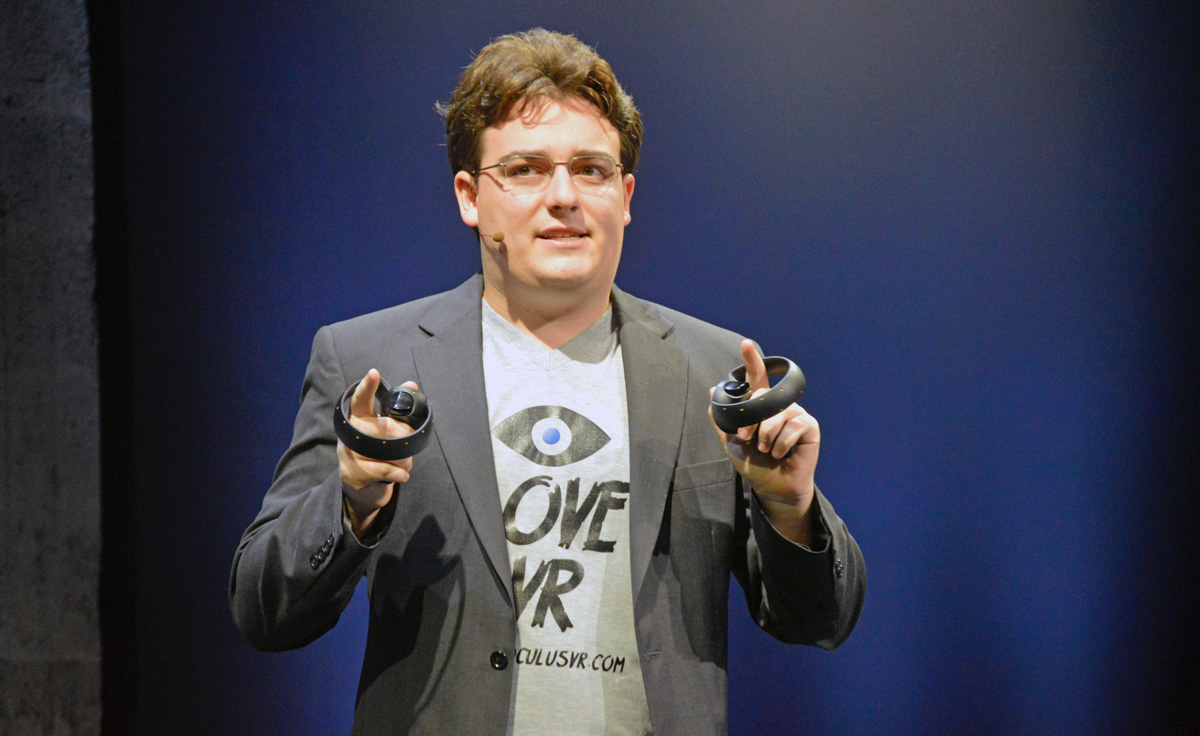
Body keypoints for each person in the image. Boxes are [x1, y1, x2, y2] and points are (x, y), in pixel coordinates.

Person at [230, 28, 865, 736]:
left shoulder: (713, 370)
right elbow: (264, 610)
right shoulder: (369, 361)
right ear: (470, 196)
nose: (564, 196)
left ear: (625, 195)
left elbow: (819, 621)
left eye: (591, 170)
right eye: (526, 169)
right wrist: (351, 505)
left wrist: (788, 506)